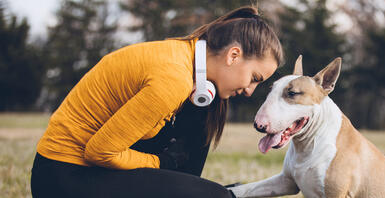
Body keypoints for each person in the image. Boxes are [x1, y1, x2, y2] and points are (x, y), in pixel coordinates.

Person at [30, 6, 283, 198]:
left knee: (205, 105)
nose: (250, 90)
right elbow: (101, 152)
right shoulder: (173, 79)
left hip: (65, 169)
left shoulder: (182, 56)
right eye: (254, 78)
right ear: (233, 55)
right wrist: (161, 164)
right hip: (64, 178)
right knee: (212, 195)